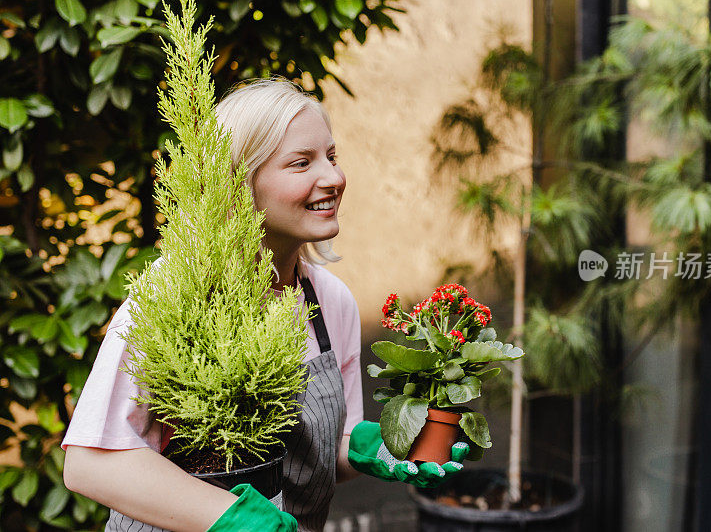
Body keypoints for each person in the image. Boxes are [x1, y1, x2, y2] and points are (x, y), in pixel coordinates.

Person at [62, 77, 467, 532]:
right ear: (239, 182)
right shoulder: (170, 293)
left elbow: (325, 456)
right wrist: (234, 519)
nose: (333, 178)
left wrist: (378, 446)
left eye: (331, 157)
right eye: (301, 163)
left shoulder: (330, 302)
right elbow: (91, 461)